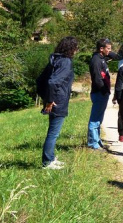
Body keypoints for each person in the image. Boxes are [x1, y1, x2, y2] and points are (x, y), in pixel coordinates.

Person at [41, 36, 79, 169]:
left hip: (54, 99)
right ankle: (47, 162)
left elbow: (40, 80)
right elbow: (53, 82)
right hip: (58, 101)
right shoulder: (65, 62)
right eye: (76, 47)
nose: (76, 50)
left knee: (53, 132)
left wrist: (46, 98)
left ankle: (50, 157)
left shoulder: (55, 59)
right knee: (53, 133)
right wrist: (50, 101)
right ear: (71, 48)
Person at [87, 38, 119, 151]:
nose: (110, 51)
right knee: (95, 119)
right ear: (101, 49)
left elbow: (116, 57)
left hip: (102, 93)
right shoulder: (96, 60)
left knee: (99, 119)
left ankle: (97, 140)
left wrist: (110, 52)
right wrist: (104, 90)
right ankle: (92, 143)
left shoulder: (101, 58)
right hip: (99, 93)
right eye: (108, 49)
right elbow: (97, 79)